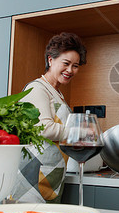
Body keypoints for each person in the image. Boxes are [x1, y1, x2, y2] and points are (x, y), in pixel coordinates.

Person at [12, 32, 87, 203]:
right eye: (66, 63)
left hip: (50, 174)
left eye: (75, 66)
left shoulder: (57, 92)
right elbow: (44, 128)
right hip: (33, 174)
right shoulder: (37, 88)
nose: (70, 70)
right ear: (50, 60)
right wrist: (81, 133)